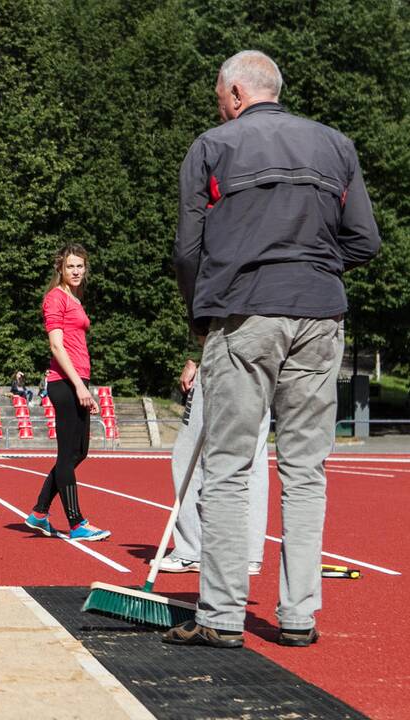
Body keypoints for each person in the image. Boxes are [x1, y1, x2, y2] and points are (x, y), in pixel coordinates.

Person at [167, 51, 380, 649]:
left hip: (244, 313)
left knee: (231, 465)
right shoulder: (336, 145)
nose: (219, 106)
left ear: (235, 92)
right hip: (319, 315)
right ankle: (297, 617)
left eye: (218, 97)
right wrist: (313, 266)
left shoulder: (212, 145)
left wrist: (202, 319)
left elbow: (188, 250)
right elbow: (365, 239)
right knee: (305, 471)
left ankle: (222, 617)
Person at [24, 245, 110, 542]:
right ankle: (76, 522)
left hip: (78, 380)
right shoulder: (55, 298)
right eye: (71, 266)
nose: (76, 271)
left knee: (79, 451)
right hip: (64, 381)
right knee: (68, 452)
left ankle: (39, 512)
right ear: (60, 267)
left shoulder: (75, 298)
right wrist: (78, 385)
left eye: (80, 266)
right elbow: (57, 346)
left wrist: (85, 384)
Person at [159, 358, 269, 576]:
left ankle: (191, 550)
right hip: (268, 359)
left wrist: (194, 358)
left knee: (188, 453)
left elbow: (211, 324)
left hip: (222, 355)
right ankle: (247, 555)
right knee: (253, 456)